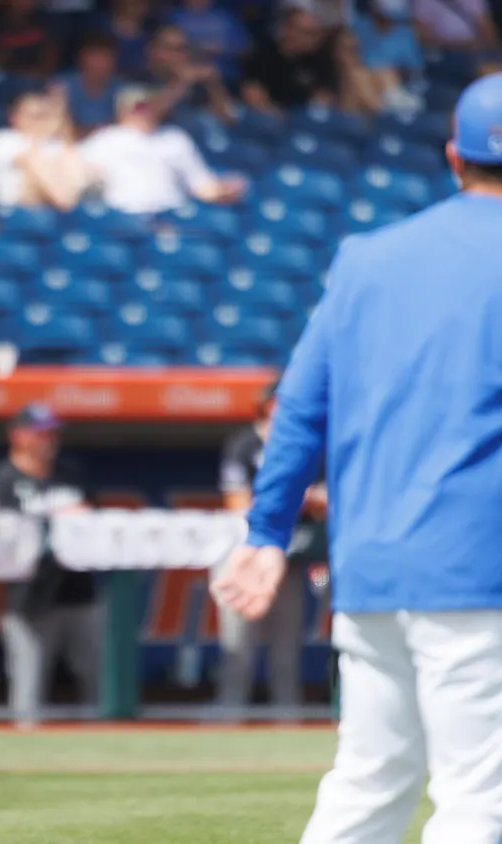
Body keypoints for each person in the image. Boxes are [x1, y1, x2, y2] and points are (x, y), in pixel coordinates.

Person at [213, 73, 502, 843]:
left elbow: (300, 408)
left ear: (453, 157)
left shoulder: (368, 258)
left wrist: (267, 534)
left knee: (371, 786)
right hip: (481, 569)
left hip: (371, 569)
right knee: (482, 800)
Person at [0, 403, 100, 729]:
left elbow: (94, 523)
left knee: (96, 677)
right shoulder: (2, 479)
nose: (48, 440)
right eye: (40, 433)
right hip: (28, 597)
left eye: (52, 433)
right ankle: (23, 755)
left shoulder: (70, 472)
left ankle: (107, 746)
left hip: (79, 591)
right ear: (18, 436)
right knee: (28, 682)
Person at [215, 379, 325, 722]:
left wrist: (296, 498)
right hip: (244, 557)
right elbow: (237, 502)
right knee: (236, 652)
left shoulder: (308, 445)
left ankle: (287, 721)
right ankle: (228, 722)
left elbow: (326, 502)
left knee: (285, 654)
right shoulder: (245, 445)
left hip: (287, 560)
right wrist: (296, 497)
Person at [78, 85, 246, 215]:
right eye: (139, 107)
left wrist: (223, 189)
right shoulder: (105, 139)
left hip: (170, 216)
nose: (145, 112)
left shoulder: (175, 138)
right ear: (122, 110)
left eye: (150, 105)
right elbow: (77, 173)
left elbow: (201, 185)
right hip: (122, 217)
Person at [0, 91, 91, 212]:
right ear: (14, 116)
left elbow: (74, 161)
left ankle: (75, 206)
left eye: (42, 115)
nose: (38, 121)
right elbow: (29, 161)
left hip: (52, 206)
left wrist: (61, 127)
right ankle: (69, 205)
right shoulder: (3, 138)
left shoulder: (52, 143)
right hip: (15, 208)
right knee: (37, 164)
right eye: (31, 115)